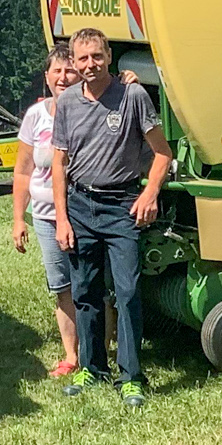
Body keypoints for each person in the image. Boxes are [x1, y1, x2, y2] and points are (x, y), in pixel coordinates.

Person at [50, 26, 173, 406]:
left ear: (108, 58)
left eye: (97, 57)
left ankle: (132, 377)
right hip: (80, 206)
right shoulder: (68, 103)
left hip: (122, 206)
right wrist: (62, 218)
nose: (91, 64)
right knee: (86, 292)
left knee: (128, 291)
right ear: (74, 62)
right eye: (83, 58)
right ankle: (92, 368)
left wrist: (150, 192)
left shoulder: (132, 95)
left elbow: (162, 153)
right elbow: (58, 164)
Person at [12, 42, 82, 377]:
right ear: (47, 77)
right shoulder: (35, 117)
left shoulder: (89, 109)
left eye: (70, 70)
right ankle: (72, 356)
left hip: (85, 211)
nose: (64, 77)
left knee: (99, 286)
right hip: (44, 215)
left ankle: (103, 351)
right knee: (62, 288)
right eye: (58, 71)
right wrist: (17, 219)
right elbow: (23, 170)